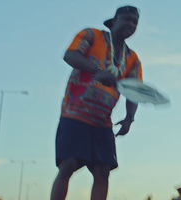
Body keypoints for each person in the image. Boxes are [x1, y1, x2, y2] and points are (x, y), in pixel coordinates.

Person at [50, 5, 142, 200]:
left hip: (102, 121)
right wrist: (96, 71)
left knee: (103, 172)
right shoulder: (91, 35)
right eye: (127, 19)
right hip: (74, 113)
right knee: (68, 165)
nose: (131, 24)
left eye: (135, 21)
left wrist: (129, 119)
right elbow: (70, 55)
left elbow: (133, 91)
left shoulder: (132, 59)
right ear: (114, 21)